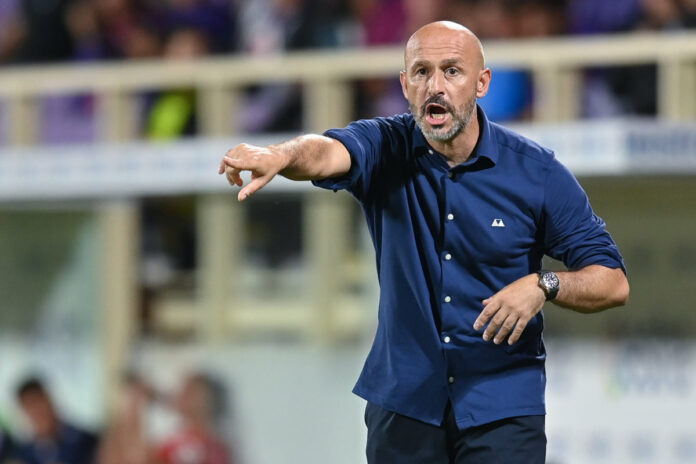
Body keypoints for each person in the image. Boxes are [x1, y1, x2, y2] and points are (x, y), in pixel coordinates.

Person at [218, 21, 629, 463]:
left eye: (452, 71)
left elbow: (612, 281)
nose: (435, 86)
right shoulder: (385, 145)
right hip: (405, 403)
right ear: (404, 85)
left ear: (482, 83)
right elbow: (328, 153)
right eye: (421, 72)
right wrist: (281, 156)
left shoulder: (537, 172)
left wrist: (543, 285)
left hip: (502, 405)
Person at [13, 377, 99, 464]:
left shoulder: (86, 442)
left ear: (49, 400)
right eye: (30, 407)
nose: (37, 412)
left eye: (38, 402)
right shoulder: (24, 456)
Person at [156, 373, 233, 464]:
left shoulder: (214, 447)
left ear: (208, 401)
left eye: (191, 392)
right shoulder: (171, 443)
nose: (181, 394)